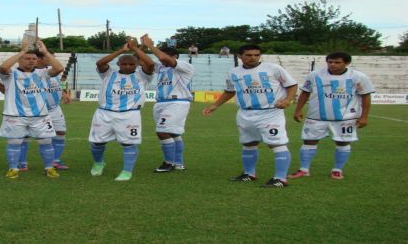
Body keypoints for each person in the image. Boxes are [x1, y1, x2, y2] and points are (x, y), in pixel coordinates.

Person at [202, 44, 297, 188]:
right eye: (248, 55)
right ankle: (249, 174)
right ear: (240, 56)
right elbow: (230, 91)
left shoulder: (273, 69)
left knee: (276, 143)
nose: (253, 58)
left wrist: (288, 100)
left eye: (256, 55)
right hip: (245, 113)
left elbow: (292, 84)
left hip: (270, 112)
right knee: (248, 143)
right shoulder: (233, 72)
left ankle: (281, 178)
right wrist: (215, 105)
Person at [289, 52, 374, 180]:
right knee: (309, 141)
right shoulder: (315, 75)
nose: (333, 64)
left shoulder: (358, 77)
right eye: (330, 62)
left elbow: (366, 97)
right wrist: (298, 110)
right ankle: (304, 169)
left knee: (343, 142)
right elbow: (305, 93)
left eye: (337, 62)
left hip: (345, 118)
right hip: (316, 116)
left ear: (347, 63)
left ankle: (337, 170)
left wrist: (364, 116)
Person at [88, 37, 154, 181]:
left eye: (131, 64)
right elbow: (100, 63)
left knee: (129, 143)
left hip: (130, 115)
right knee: (97, 142)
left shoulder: (143, 76)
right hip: (104, 113)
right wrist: (121, 50)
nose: (128, 66)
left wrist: (136, 48)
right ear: (118, 64)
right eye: (124, 64)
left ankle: (127, 171)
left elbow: (150, 63)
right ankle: (98, 163)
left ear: (136, 64)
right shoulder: (109, 74)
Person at [0, 39, 64, 179]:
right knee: (15, 142)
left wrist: (45, 52)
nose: (31, 61)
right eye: (27, 58)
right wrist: (21, 51)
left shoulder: (42, 74)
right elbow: (3, 68)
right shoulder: (11, 74)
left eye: (34, 58)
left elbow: (59, 69)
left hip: (40, 115)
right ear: (19, 60)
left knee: (46, 141)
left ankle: (49, 168)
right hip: (15, 115)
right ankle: (13, 169)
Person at [141, 35, 195, 173]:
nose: (161, 58)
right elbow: (147, 61)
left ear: (175, 56)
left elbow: (164, 58)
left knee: (162, 132)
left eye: (165, 56)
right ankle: (178, 163)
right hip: (161, 102)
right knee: (174, 133)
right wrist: (137, 47)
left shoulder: (184, 66)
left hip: (177, 102)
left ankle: (168, 163)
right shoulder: (162, 67)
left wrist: (151, 46)